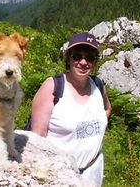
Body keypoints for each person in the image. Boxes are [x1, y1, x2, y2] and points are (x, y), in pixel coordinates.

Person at [30, 32, 111, 186]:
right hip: (58, 175)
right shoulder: (53, 87)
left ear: (94, 62)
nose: (83, 62)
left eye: (89, 57)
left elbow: (107, 110)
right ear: (68, 58)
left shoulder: (98, 86)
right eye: (77, 56)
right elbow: (36, 140)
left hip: (92, 170)